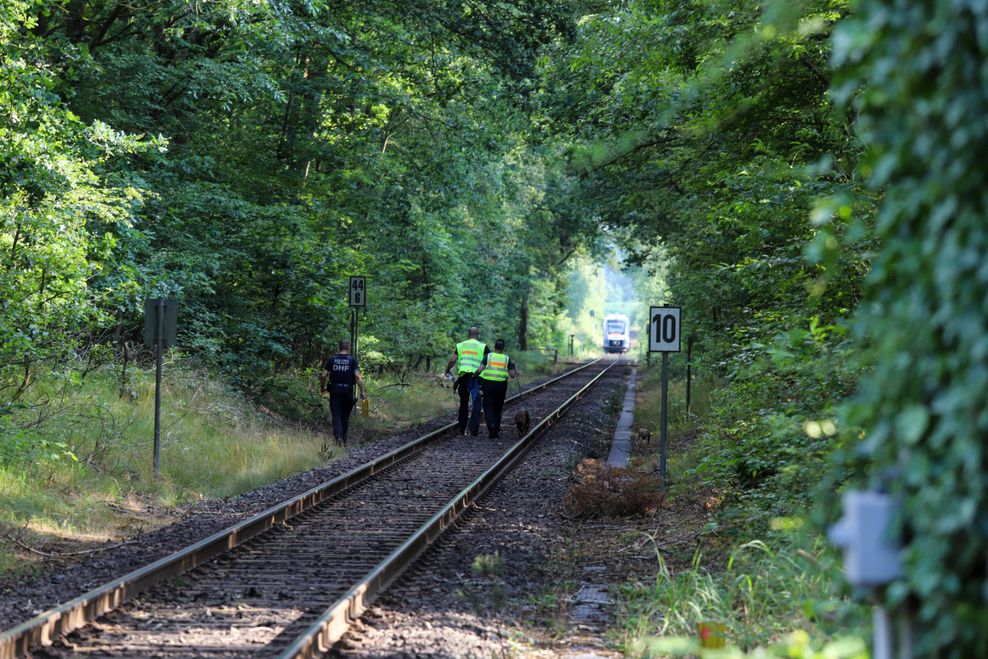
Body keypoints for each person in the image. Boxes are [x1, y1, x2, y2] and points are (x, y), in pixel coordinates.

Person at [444, 327, 489, 436]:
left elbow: (453, 360)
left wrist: (447, 370)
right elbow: (490, 360)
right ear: (478, 335)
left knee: (463, 403)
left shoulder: (460, 345)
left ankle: (462, 429)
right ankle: (473, 431)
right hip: (477, 378)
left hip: (464, 378)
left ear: (468, 334)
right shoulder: (483, 346)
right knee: (476, 403)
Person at [319, 339, 365, 446]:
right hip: (348, 391)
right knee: (345, 415)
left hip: (334, 390)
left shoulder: (332, 359)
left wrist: (322, 387)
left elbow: (323, 375)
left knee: (336, 415)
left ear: (339, 347)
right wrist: (362, 391)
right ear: (348, 348)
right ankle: (343, 439)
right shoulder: (352, 360)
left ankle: (338, 438)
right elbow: (357, 377)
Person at [474, 338, 517, 438]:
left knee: (488, 407)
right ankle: (495, 430)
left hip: (488, 385)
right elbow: (512, 375)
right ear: (503, 348)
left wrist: (474, 376)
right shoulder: (507, 359)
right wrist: (513, 367)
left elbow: (480, 369)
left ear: (494, 347)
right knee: (498, 407)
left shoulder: (488, 356)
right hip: (501, 386)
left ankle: (492, 425)